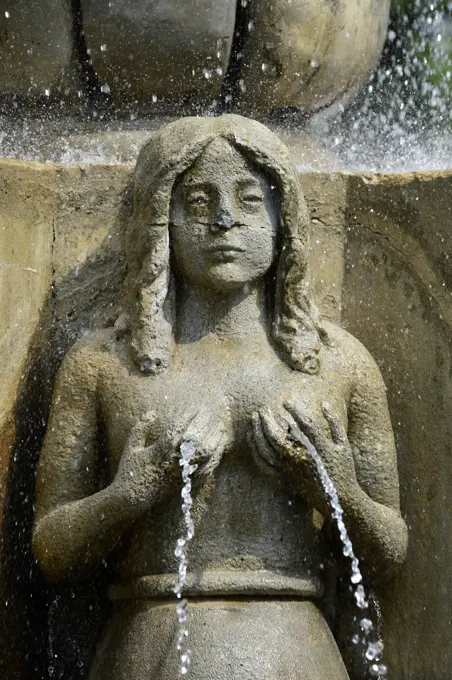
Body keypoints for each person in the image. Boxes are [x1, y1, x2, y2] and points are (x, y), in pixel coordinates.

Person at [32, 115, 407, 679]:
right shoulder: (104, 366)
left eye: (249, 199)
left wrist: (335, 486)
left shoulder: (338, 364)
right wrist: (131, 493)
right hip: (149, 648)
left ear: (285, 221)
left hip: (294, 652)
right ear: (162, 221)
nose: (225, 220)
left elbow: (388, 552)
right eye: (200, 202)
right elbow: (52, 550)